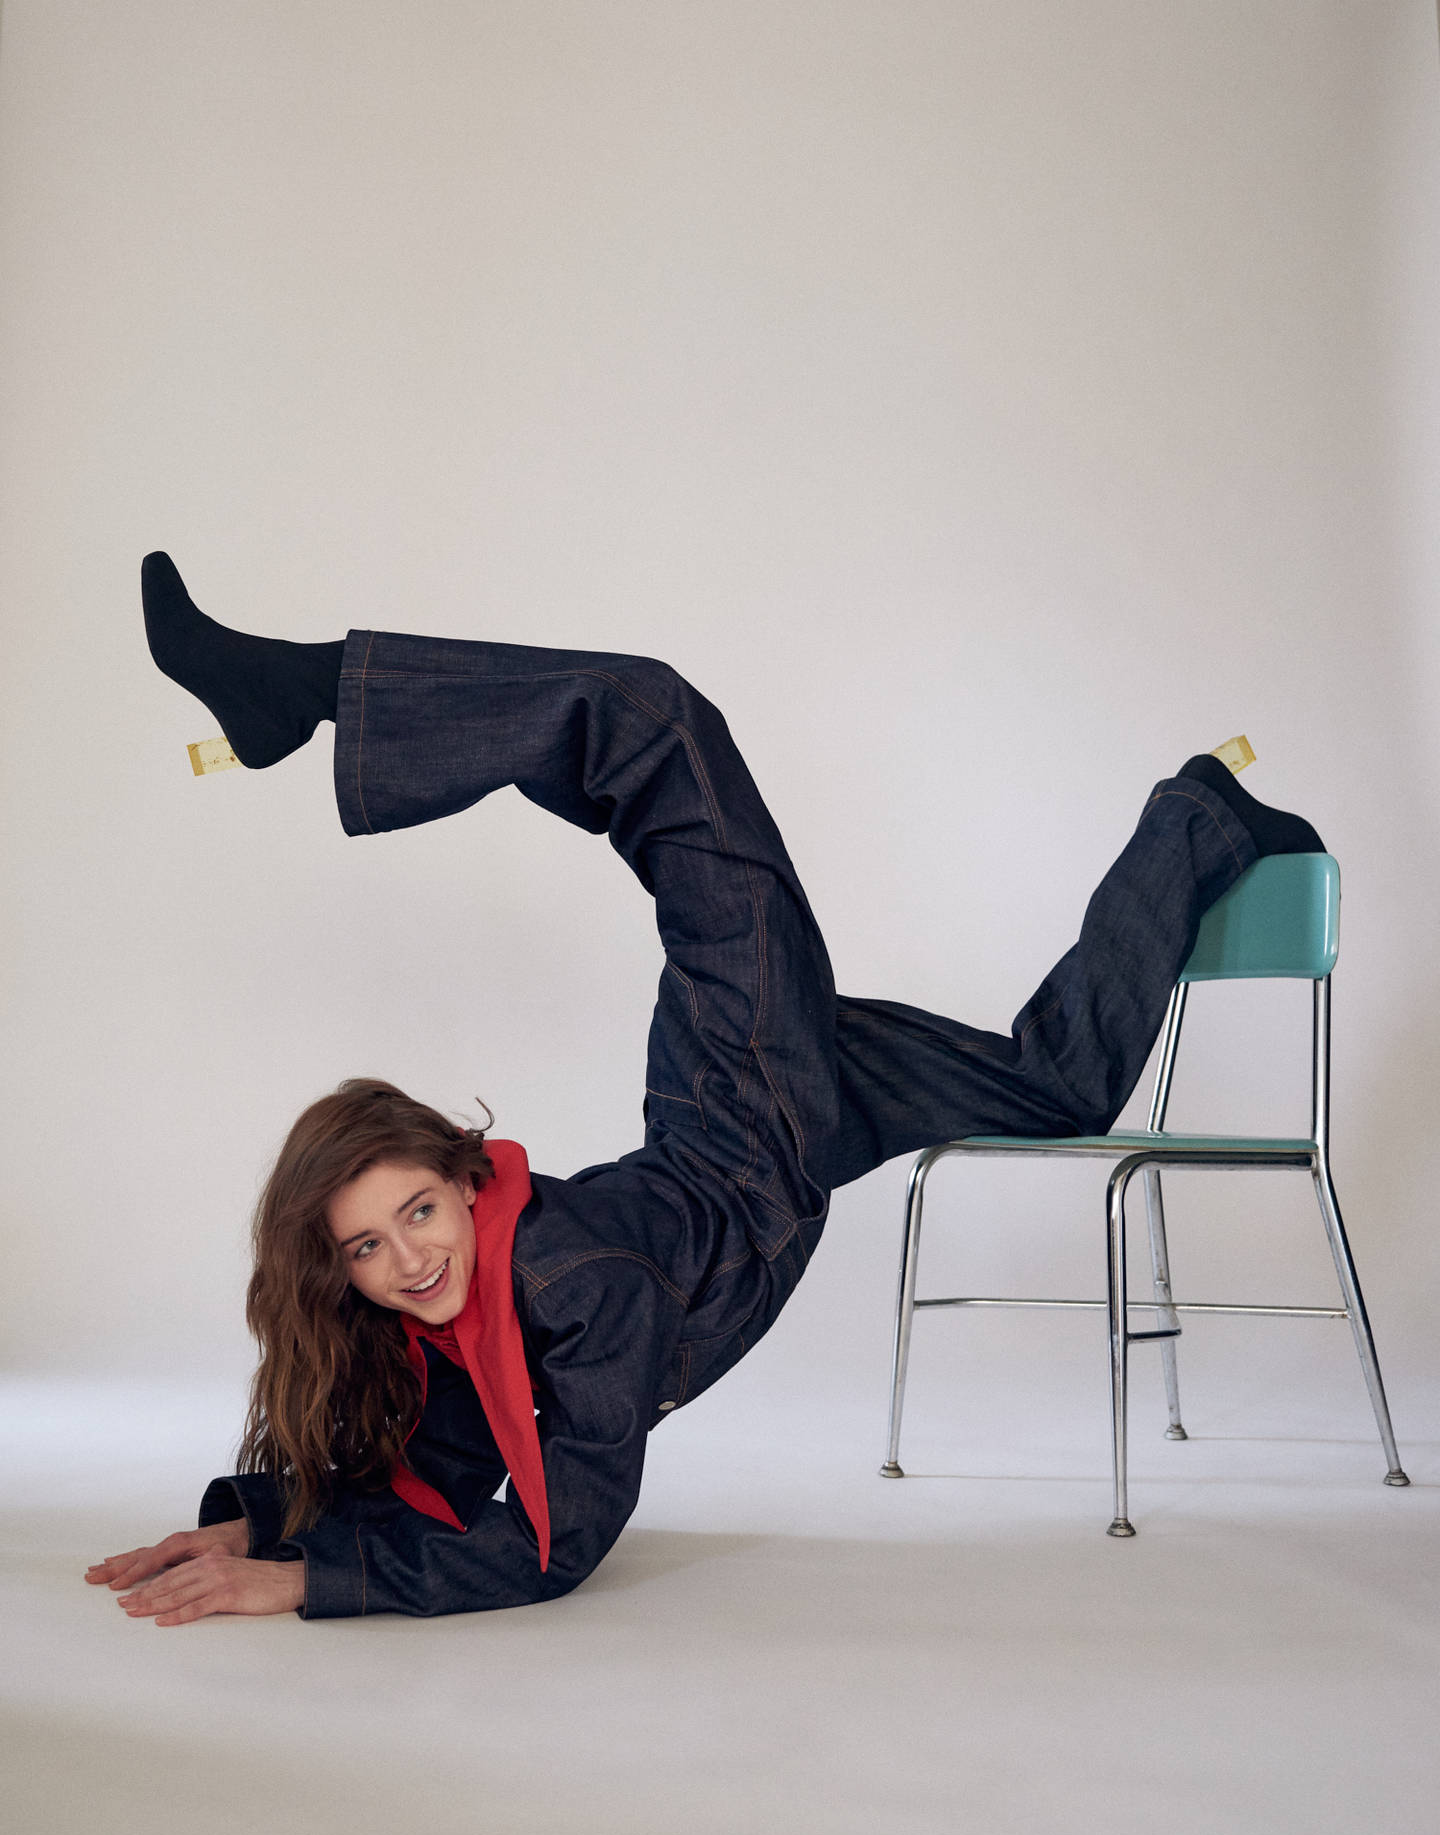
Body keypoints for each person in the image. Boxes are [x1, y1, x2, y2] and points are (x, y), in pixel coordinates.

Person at [86, 554, 1323, 1625]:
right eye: (365, 1246)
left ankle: (302, 690)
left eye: (415, 1210)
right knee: (1057, 1087)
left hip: (741, 1104)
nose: (406, 1259)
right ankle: (1199, 824)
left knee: (653, 721)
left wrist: (309, 1584)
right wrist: (271, 1536)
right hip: (748, 1130)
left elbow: (547, 1548)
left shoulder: (569, 1282)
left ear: (469, 1179)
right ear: (339, 1275)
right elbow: (467, 1498)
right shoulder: (477, 1331)